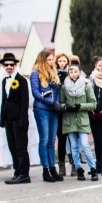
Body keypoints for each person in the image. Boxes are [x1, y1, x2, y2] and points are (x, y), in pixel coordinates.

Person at [0, 53, 32, 184]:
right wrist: (2, 119)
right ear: (3, 66)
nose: (9, 67)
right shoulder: (5, 81)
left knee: (20, 147)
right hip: (9, 119)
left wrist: (23, 119)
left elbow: (25, 101)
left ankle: (24, 174)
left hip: (19, 119)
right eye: (7, 65)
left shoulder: (21, 80)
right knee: (12, 146)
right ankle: (17, 171)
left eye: (12, 64)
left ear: (16, 65)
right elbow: (3, 101)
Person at [60, 61, 98, 182]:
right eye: (71, 71)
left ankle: (93, 169)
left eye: (75, 71)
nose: (73, 73)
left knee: (85, 145)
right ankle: (79, 169)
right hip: (70, 120)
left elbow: (93, 104)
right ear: (68, 73)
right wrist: (66, 107)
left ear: (80, 72)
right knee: (74, 147)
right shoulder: (64, 87)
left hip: (82, 120)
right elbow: (60, 103)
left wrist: (81, 106)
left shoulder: (86, 86)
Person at [30, 49, 63, 182]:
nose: (51, 62)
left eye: (52, 60)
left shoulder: (53, 73)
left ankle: (52, 168)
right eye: (48, 60)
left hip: (53, 110)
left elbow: (57, 92)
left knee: (51, 141)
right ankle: (45, 170)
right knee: (44, 140)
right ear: (43, 60)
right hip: (42, 109)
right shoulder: (35, 73)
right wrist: (51, 102)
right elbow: (36, 93)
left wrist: (58, 104)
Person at [54, 53, 71, 177]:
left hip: (70, 110)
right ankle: (61, 165)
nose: (62, 63)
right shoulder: (54, 75)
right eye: (60, 61)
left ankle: (75, 164)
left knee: (73, 139)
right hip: (59, 110)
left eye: (64, 60)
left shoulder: (71, 73)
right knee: (61, 139)